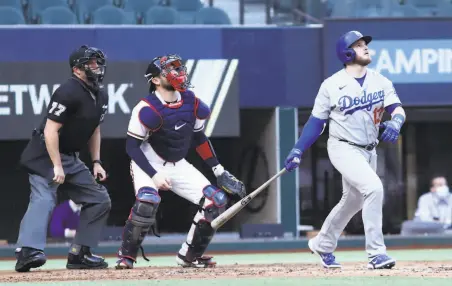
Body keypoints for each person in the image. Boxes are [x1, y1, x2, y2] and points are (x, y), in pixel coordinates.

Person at [284, 31, 406, 270]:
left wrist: (396, 121)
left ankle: (322, 243)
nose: (366, 48)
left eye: (365, 45)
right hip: (343, 147)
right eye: (359, 45)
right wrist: (298, 149)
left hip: (369, 150)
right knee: (373, 188)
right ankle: (376, 253)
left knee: (353, 201)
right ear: (347, 53)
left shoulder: (381, 80)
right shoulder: (331, 85)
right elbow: (316, 123)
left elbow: (398, 108)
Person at [115, 54, 246, 269]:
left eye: (178, 68)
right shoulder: (146, 108)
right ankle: (126, 256)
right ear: (156, 80)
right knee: (147, 201)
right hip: (147, 162)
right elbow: (131, 147)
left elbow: (199, 138)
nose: (178, 73)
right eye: (170, 70)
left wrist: (218, 169)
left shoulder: (191, 101)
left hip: (178, 163)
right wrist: (154, 175)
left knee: (216, 201)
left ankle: (189, 255)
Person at [15, 45, 111, 272]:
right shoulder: (67, 91)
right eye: (91, 63)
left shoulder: (101, 93)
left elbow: (94, 129)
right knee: (44, 197)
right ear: (77, 70)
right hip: (44, 154)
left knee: (99, 199)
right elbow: (50, 131)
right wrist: (56, 165)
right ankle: (27, 251)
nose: (96, 67)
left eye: (98, 62)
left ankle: (80, 253)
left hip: (69, 156)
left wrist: (96, 161)